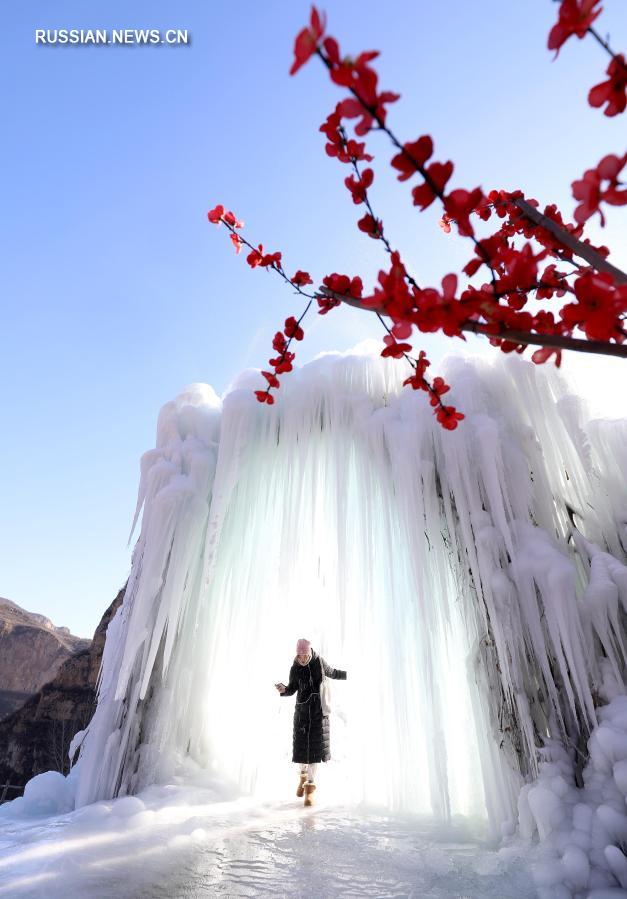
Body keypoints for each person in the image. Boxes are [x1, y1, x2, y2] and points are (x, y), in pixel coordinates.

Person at [275, 638, 347, 807]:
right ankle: (302, 777)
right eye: (299, 656)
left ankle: (310, 789)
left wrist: (350, 674)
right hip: (302, 714)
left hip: (319, 714)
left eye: (304, 655)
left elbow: (333, 673)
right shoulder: (294, 668)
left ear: (310, 652)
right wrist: (284, 689)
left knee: (315, 753)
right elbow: (292, 688)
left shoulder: (319, 662)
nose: (302, 659)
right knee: (302, 754)